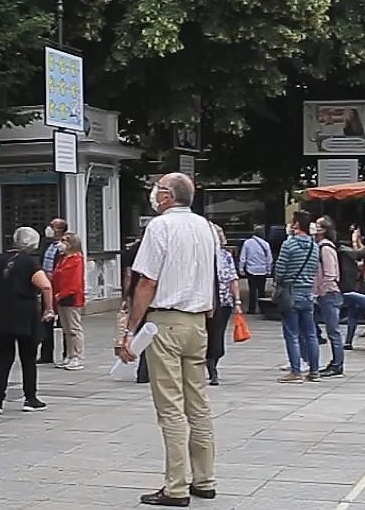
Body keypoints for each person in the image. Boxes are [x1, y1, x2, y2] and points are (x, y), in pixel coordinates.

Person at [121, 173, 217, 507]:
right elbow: (212, 275)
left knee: (171, 406)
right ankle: (204, 479)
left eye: (156, 189)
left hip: (165, 320)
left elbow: (147, 281)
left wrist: (131, 328)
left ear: (165, 196)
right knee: (198, 404)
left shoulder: (159, 228)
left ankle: (175, 486)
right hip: (197, 321)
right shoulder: (206, 227)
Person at [0, 227, 54, 414]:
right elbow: (45, 286)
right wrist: (49, 309)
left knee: (3, 358)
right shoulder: (30, 263)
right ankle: (30, 398)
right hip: (25, 313)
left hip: (1, 311)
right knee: (28, 357)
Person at [274, 210, 321, 384]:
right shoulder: (314, 246)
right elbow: (315, 269)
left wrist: (279, 284)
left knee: (292, 334)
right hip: (307, 292)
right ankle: (314, 371)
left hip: (291, 292)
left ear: (296, 224)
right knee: (310, 334)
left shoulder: (289, 245)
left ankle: (296, 371)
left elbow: (280, 269)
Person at [207, 223, 241, 386]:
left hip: (223, 301)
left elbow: (232, 279)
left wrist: (237, 301)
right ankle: (210, 366)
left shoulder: (226, 256)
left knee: (217, 334)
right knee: (208, 333)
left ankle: (213, 362)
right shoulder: (202, 255)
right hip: (205, 301)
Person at [313, 216, 345, 378]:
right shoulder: (321, 246)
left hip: (329, 293)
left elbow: (330, 273)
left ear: (323, 230)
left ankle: (337, 364)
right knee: (331, 330)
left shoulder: (325, 247)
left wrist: (321, 290)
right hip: (327, 293)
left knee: (333, 331)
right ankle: (336, 362)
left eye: (317, 226)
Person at [51, 233, 86, 370]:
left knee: (74, 329)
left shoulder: (76, 259)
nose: (60, 243)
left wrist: (62, 293)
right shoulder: (62, 259)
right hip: (61, 297)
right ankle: (70, 355)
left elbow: (75, 282)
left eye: (64, 241)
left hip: (71, 297)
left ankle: (78, 356)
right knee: (66, 329)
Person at [120, 230, 150, 384]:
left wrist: (126, 296)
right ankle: (146, 371)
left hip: (137, 294)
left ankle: (142, 372)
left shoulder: (133, 250)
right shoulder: (150, 249)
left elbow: (128, 275)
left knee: (140, 328)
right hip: (154, 295)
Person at [37, 218, 68, 364]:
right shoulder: (47, 244)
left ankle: (68, 353)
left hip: (60, 287)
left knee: (65, 322)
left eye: (52, 226)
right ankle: (46, 354)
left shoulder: (66, 245)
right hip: (47, 286)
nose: (49, 229)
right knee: (46, 320)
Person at [238, 225, 272, 315]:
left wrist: (241, 268)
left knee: (252, 290)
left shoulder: (247, 243)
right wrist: (269, 270)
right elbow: (269, 259)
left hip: (251, 269)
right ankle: (262, 309)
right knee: (261, 290)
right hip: (262, 270)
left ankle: (252, 308)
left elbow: (243, 257)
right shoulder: (265, 244)